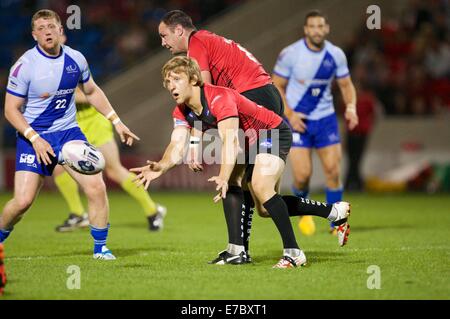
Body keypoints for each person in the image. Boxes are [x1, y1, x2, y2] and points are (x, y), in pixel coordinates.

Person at [131, 56, 351, 268]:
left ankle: (294, 253)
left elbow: (231, 142)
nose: (171, 85)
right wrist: (161, 166)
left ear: (194, 80)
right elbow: (177, 145)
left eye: (176, 78)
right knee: (264, 208)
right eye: (167, 81)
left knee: (259, 186)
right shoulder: (182, 111)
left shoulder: (218, 97)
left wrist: (224, 176)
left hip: (271, 132)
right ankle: (239, 250)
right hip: (250, 141)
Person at [0, 9, 139, 260]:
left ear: (60, 30)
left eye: (51, 26)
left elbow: (92, 91)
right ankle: (0, 237)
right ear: (34, 35)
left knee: (96, 187)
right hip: (34, 137)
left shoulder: (76, 59)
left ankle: (101, 248)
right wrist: (35, 138)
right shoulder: (24, 66)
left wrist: (117, 122)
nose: (47, 32)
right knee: (22, 202)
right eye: (41, 28)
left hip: (68, 133)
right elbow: (10, 110)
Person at [158, 10, 285, 260]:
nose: (163, 42)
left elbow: (201, 94)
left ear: (179, 31)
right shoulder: (207, 39)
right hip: (265, 96)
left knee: (241, 182)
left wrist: (194, 144)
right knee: (262, 200)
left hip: (254, 97)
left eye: (164, 35)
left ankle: (239, 250)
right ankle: (331, 212)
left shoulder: (197, 44)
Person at [272, 10, 358, 236]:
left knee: (333, 170)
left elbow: (346, 85)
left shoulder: (336, 54)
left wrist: (350, 107)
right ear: (305, 30)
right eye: (313, 27)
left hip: (326, 120)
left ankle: (337, 223)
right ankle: (304, 212)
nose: (317, 31)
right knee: (302, 176)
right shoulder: (291, 54)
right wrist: (289, 114)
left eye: (321, 27)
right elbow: (276, 84)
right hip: (298, 120)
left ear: (327, 29)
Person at [53, 87, 166, 232]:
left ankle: (153, 211)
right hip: (73, 126)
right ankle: (78, 214)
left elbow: (88, 95)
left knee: (114, 170)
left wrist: (53, 95)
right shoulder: (45, 72)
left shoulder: (71, 65)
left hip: (95, 124)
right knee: (59, 168)